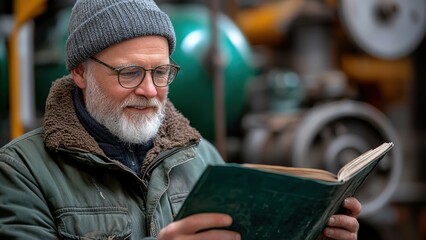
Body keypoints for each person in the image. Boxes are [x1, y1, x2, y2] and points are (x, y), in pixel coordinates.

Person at [0, 0, 361, 239]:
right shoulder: (22, 171)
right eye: (129, 73)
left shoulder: (201, 157)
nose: (149, 90)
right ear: (81, 73)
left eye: (160, 72)